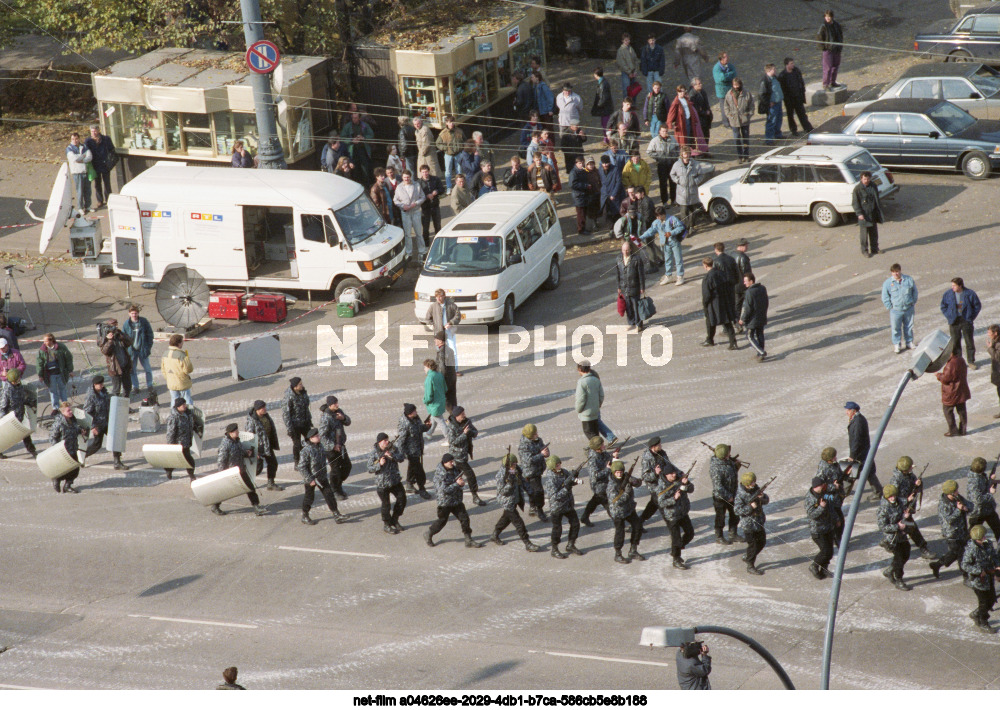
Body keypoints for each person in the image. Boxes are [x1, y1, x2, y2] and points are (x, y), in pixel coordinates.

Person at [425, 454, 484, 548]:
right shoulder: (439, 475)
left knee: (464, 519)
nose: (452, 463)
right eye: (450, 462)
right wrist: (457, 484)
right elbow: (443, 490)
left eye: (453, 461)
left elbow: (457, 481)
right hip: (445, 502)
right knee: (442, 521)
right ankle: (429, 533)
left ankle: (468, 539)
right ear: (444, 463)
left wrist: (460, 483)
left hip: (456, 500)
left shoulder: (455, 469)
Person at [214, 423, 266, 517]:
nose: (238, 433)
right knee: (225, 490)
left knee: (250, 487)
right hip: (231, 472)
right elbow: (221, 461)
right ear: (230, 433)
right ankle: (215, 505)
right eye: (235, 431)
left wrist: (247, 453)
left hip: (240, 470)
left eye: (237, 431)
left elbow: (241, 452)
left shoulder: (237, 441)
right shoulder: (225, 444)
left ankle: (256, 506)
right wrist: (222, 474)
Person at [491, 453, 541, 551]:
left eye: (515, 464)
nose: (514, 466)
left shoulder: (515, 470)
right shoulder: (501, 475)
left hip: (515, 499)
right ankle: (527, 543)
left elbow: (522, 480)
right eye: (512, 464)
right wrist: (510, 482)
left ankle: (495, 534)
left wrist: (530, 491)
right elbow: (503, 491)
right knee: (519, 523)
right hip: (507, 502)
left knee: (505, 519)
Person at [889, 456, 935, 559]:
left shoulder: (909, 475)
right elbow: (892, 499)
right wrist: (906, 500)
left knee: (904, 528)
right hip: (899, 509)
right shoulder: (896, 480)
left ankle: (889, 542)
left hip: (907, 507)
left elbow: (915, 487)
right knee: (911, 527)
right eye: (910, 467)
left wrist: (918, 484)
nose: (912, 468)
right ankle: (923, 548)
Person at [299, 427, 346, 525]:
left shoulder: (320, 446)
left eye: (318, 435)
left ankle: (336, 514)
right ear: (310, 438)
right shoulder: (305, 451)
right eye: (316, 436)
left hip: (322, 477)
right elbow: (302, 467)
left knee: (329, 495)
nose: (319, 437)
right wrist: (310, 479)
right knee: (309, 497)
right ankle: (305, 515)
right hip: (312, 478)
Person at [82, 374, 127, 470]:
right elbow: (87, 413)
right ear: (95, 384)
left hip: (107, 421)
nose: (102, 385)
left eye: (102, 384)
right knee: (96, 445)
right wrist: (93, 427)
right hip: (98, 424)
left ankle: (117, 462)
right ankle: (82, 456)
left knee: (115, 440)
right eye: (100, 384)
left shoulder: (103, 392)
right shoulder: (91, 396)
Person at [930, 479, 971, 583]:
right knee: (962, 554)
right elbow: (949, 520)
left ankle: (937, 565)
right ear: (950, 493)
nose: (958, 492)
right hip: (952, 533)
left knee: (955, 553)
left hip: (962, 531)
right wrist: (958, 510)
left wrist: (967, 508)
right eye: (956, 491)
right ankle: (966, 577)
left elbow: (968, 504)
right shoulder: (943, 505)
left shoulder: (957, 498)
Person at [543, 456, 583, 558]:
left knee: (575, 524)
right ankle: (554, 549)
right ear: (552, 467)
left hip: (568, 504)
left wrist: (575, 478)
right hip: (557, 507)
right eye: (557, 465)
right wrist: (567, 488)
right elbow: (555, 496)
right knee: (557, 529)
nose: (559, 465)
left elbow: (570, 480)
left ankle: (571, 544)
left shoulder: (563, 472)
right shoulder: (550, 479)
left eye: (559, 463)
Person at [367, 432, 407, 533]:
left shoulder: (393, 448)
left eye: (387, 439)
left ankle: (395, 519)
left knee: (402, 500)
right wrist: (379, 464)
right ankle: (387, 524)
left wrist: (392, 455)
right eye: (385, 440)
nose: (387, 442)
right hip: (382, 483)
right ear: (379, 442)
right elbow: (370, 468)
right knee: (386, 505)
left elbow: (401, 458)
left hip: (394, 480)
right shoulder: (374, 454)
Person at [606, 460, 645, 563]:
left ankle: (633, 550)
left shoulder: (626, 478)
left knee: (638, 526)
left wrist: (634, 481)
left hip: (628, 509)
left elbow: (638, 483)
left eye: (621, 472)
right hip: (617, 512)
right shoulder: (611, 485)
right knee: (620, 533)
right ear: (613, 472)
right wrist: (627, 493)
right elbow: (615, 501)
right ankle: (618, 554)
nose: (619, 474)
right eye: (617, 472)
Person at [963, 525, 999, 633]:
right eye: (981, 537)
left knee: (992, 599)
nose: (984, 538)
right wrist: (978, 571)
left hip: (989, 577)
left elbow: (994, 556)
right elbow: (965, 565)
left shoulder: (988, 544)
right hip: (979, 581)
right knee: (984, 603)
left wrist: (997, 566)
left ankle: (976, 614)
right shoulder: (971, 550)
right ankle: (983, 622)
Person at [876, 485, 913, 590]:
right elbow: (883, 526)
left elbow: (905, 503)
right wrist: (897, 526)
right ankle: (899, 579)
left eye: (894, 496)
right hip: (892, 537)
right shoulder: (883, 509)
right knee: (899, 558)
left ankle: (890, 570)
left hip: (901, 535)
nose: (892, 498)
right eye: (890, 497)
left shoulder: (899, 502)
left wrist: (906, 515)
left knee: (906, 553)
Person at [658, 464, 695, 569]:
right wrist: (674, 498)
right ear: (666, 475)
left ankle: (676, 549)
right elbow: (661, 503)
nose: (674, 475)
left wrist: (686, 483)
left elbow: (691, 489)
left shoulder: (679, 479)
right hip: (672, 515)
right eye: (671, 474)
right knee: (676, 538)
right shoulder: (661, 486)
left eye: (674, 473)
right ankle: (676, 559)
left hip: (682, 512)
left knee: (690, 533)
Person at [446, 406, 484, 506]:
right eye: (462, 414)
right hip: (457, 456)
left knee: (456, 476)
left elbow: (475, 432)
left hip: (464, 454)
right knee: (470, 475)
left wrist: (470, 432)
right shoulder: (451, 427)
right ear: (457, 416)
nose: (464, 415)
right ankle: (475, 496)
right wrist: (464, 434)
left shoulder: (466, 422)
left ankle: (449, 492)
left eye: (464, 413)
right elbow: (453, 442)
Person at [844, 402, 883, 500]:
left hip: (859, 453)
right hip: (863, 452)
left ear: (854, 411)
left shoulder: (858, 422)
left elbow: (857, 440)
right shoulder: (858, 419)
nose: (846, 412)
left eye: (848, 410)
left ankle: (844, 492)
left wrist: (852, 455)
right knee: (869, 472)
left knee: (852, 472)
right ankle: (878, 492)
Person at [940, 277, 982, 367]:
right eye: (952, 285)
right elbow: (943, 306)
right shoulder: (948, 294)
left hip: (966, 320)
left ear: (960, 285)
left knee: (969, 341)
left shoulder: (970, 294)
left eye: (954, 285)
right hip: (954, 321)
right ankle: (958, 362)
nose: (952, 287)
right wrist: (949, 315)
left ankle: (971, 361)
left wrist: (971, 317)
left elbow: (977, 306)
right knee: (955, 342)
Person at [641, 206, 685, 286]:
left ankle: (680, 276)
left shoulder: (672, 219)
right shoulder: (656, 222)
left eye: (659, 216)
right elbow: (651, 231)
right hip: (665, 243)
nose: (658, 218)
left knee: (678, 259)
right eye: (656, 216)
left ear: (663, 214)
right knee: (667, 260)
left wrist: (671, 233)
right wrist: (641, 237)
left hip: (674, 242)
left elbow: (680, 227)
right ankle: (668, 276)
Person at [734, 471, 768, 574]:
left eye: (754, 482)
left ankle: (748, 556)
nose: (754, 484)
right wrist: (750, 507)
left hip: (759, 521)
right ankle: (750, 565)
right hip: (748, 525)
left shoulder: (756, 489)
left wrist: (762, 497)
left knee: (762, 542)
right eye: (752, 482)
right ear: (747, 484)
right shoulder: (740, 495)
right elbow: (737, 510)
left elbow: (766, 500)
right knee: (753, 545)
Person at [671, 147, 713, 227]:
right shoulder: (677, 165)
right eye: (684, 154)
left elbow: (701, 175)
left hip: (692, 192)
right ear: (681, 155)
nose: (686, 156)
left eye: (688, 154)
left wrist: (695, 181)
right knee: (683, 212)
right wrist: (678, 181)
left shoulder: (696, 165)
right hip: (682, 194)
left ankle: (691, 226)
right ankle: (685, 227)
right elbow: (672, 174)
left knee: (692, 212)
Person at [318, 395, 351, 500]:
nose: (337, 405)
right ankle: (335, 490)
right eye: (335, 403)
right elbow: (322, 436)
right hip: (330, 449)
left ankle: (338, 485)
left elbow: (348, 422)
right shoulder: (325, 417)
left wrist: (343, 418)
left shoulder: (339, 411)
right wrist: (333, 446)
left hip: (340, 445)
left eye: (337, 402)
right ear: (330, 405)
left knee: (347, 466)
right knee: (335, 469)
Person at [880, 264, 917, 354]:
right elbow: (885, 297)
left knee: (908, 327)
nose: (895, 274)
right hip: (896, 310)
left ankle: (909, 342)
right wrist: (890, 307)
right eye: (893, 272)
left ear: (900, 271)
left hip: (908, 308)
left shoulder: (908, 280)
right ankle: (897, 344)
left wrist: (912, 302)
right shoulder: (888, 283)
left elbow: (914, 292)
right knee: (896, 328)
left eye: (897, 272)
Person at [701, 257, 738, 349]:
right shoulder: (721, 273)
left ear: (705, 266)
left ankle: (710, 339)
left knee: (710, 321)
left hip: (714, 303)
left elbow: (707, 294)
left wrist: (705, 304)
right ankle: (733, 342)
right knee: (727, 322)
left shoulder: (707, 278)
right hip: (724, 300)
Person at [246, 400, 282, 492]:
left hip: (267, 445)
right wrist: (254, 451)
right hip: (258, 447)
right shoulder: (252, 420)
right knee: (258, 469)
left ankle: (270, 483)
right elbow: (249, 436)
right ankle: (246, 481)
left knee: (273, 463)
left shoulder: (266, 416)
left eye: (265, 407)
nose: (265, 409)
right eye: (262, 408)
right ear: (257, 409)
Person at [398, 402, 432, 498]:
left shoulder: (415, 418)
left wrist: (426, 426)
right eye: (414, 411)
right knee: (419, 471)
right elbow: (401, 439)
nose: (416, 412)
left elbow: (419, 428)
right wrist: (400, 454)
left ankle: (409, 484)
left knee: (413, 467)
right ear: (410, 413)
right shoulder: (405, 424)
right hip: (411, 451)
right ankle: (422, 488)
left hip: (418, 448)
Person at [0, 370, 36, 458]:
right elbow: (3, 406)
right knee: (7, 436)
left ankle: (32, 451)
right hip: (11, 419)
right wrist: (3, 420)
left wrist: (31, 403)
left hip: (20, 415)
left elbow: (22, 399)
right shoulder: (7, 390)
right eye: (18, 377)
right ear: (14, 380)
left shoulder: (19, 386)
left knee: (25, 434)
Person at [708, 444, 739, 545]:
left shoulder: (727, 461)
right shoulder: (716, 468)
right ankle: (719, 536)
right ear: (724, 455)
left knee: (735, 514)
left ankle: (733, 534)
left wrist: (736, 466)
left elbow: (730, 475)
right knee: (720, 518)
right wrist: (728, 496)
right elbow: (718, 487)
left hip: (732, 493)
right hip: (721, 498)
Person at [805, 476, 835, 580]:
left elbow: (832, 499)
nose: (824, 487)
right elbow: (811, 515)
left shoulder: (823, 493)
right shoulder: (810, 499)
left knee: (830, 551)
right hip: (817, 530)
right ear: (816, 487)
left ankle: (824, 569)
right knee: (825, 551)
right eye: (822, 485)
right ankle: (814, 565)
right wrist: (821, 507)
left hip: (827, 526)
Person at [519, 423, 550, 520]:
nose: (537, 435)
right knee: (539, 491)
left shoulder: (538, 440)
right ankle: (539, 509)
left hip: (538, 470)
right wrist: (541, 455)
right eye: (534, 434)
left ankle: (533, 506)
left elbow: (542, 448)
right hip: (531, 472)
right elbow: (528, 460)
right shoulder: (524, 446)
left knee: (532, 491)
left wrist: (546, 452)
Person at [937, 350, 971, 437]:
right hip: (961, 390)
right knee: (962, 410)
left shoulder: (950, 365)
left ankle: (953, 430)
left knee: (947, 411)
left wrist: (938, 375)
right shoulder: (961, 360)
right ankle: (963, 429)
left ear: (951, 353)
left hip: (951, 392)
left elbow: (946, 379)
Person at [581, 437, 614, 526]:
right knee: (607, 503)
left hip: (605, 481)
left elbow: (608, 459)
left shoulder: (602, 453)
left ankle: (585, 516)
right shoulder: (593, 459)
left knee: (596, 500)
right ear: (597, 448)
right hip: (599, 485)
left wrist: (614, 457)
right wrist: (607, 469)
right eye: (602, 445)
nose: (604, 446)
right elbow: (595, 475)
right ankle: (617, 521)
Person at [122, 304, 154, 397]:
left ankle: (150, 385)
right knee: (132, 370)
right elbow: (124, 338)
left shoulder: (143, 322)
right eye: (132, 313)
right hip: (132, 351)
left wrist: (148, 347)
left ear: (138, 313)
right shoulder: (126, 324)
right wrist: (127, 349)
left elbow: (150, 334)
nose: (134, 315)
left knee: (147, 369)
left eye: (135, 313)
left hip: (142, 349)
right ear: (129, 314)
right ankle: (135, 387)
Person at [393, 170, 426, 260]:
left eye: (408, 177)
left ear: (410, 177)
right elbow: (395, 200)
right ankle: (409, 252)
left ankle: (422, 251)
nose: (406, 179)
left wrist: (415, 204)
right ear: (402, 178)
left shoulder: (416, 185)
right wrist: (403, 206)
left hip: (416, 211)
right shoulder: (399, 187)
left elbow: (423, 197)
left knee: (418, 232)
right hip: (405, 213)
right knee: (407, 234)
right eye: (404, 177)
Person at [50, 401, 81, 493]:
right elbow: (52, 437)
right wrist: (57, 449)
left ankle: (67, 486)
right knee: (62, 468)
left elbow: (76, 429)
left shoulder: (73, 420)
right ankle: (56, 480)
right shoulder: (59, 423)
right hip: (63, 450)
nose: (71, 412)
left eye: (70, 410)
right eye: (68, 411)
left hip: (73, 448)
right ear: (63, 412)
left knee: (75, 469)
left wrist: (81, 431)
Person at [36, 333, 73, 410]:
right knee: (53, 392)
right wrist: (40, 375)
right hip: (50, 375)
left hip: (61, 373)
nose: (44, 343)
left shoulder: (61, 347)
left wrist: (70, 370)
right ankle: (55, 408)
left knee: (63, 389)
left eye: (46, 341)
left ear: (51, 340)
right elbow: (39, 363)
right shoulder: (42, 350)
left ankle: (65, 406)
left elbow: (68, 358)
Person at [666, 84, 707, 155]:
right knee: (683, 139)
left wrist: (695, 120)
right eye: (680, 92)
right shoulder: (676, 102)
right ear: (677, 92)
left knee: (690, 137)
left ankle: (690, 152)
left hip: (689, 121)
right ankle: (685, 153)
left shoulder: (685, 99)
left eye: (683, 91)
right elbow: (671, 114)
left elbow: (690, 110)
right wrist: (670, 125)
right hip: (681, 123)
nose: (682, 93)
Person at [281, 376, 312, 468]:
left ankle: (309, 459)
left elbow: (307, 407)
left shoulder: (303, 393)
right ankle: (297, 461)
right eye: (300, 384)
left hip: (305, 422)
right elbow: (286, 414)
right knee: (297, 444)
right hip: (295, 425)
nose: (302, 385)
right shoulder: (289, 397)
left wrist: (309, 420)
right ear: (295, 387)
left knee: (310, 441)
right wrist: (289, 428)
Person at [616, 240, 647, 332]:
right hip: (624, 287)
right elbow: (617, 274)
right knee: (628, 307)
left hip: (634, 287)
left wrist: (642, 287)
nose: (625, 252)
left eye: (627, 250)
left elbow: (641, 275)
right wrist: (618, 286)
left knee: (636, 307)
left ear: (630, 250)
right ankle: (631, 322)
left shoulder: (636, 259)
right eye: (623, 250)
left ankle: (639, 324)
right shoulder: (618, 259)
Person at [164, 398, 199, 480]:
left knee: (188, 460)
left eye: (185, 404)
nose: (185, 406)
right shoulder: (173, 418)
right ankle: (169, 470)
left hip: (187, 442)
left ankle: (191, 476)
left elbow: (192, 425)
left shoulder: (188, 414)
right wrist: (170, 445)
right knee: (176, 460)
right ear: (178, 407)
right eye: (182, 405)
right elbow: (170, 433)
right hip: (178, 444)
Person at [738, 271, 769, 361]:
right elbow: (766, 301)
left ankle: (761, 352)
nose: (744, 283)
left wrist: (742, 319)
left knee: (749, 336)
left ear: (751, 281)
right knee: (760, 334)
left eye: (745, 281)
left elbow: (747, 308)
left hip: (753, 318)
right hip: (762, 315)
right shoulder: (762, 288)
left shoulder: (749, 292)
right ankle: (760, 353)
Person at [777, 57, 812, 136]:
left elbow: (801, 81)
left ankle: (807, 127)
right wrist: (786, 98)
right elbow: (782, 89)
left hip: (798, 97)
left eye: (793, 63)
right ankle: (793, 129)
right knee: (790, 115)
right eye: (791, 63)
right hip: (789, 99)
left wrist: (802, 91)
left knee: (802, 113)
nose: (793, 65)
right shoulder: (782, 76)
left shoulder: (796, 71)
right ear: (787, 65)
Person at [967, 456, 1000, 539]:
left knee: (998, 529)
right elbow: (978, 499)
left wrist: (990, 481)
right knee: (973, 534)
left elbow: (983, 487)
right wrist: (990, 493)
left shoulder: (979, 475)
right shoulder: (974, 481)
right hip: (978, 512)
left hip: (987, 509)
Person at [98, 318, 133, 397]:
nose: (114, 327)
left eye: (115, 325)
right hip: (115, 368)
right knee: (116, 390)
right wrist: (110, 340)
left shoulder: (119, 334)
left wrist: (121, 336)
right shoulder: (105, 337)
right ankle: (115, 407)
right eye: (112, 325)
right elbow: (105, 351)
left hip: (125, 365)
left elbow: (130, 342)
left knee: (127, 387)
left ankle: (124, 406)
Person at [84, 124, 116, 208]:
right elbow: (85, 152)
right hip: (95, 165)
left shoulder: (106, 139)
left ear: (98, 131)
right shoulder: (88, 141)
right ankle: (100, 201)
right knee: (97, 184)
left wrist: (110, 161)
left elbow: (112, 150)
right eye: (92, 131)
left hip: (105, 164)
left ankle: (109, 199)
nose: (93, 133)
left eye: (95, 131)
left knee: (107, 184)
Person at [647, 124, 679, 207]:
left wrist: (674, 156)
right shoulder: (655, 141)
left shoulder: (672, 139)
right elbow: (649, 152)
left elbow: (677, 148)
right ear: (659, 132)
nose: (665, 133)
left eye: (666, 131)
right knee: (663, 184)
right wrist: (658, 157)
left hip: (672, 164)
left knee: (673, 182)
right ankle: (664, 201)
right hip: (662, 165)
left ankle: (673, 200)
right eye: (663, 131)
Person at [853, 171, 883, 258]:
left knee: (874, 233)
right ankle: (864, 251)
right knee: (864, 235)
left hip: (872, 213)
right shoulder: (857, 189)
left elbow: (876, 198)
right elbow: (855, 203)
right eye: (865, 179)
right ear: (861, 179)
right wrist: (859, 213)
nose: (866, 180)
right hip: (864, 215)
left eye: (868, 179)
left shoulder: (873, 185)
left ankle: (875, 249)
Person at [724, 77, 753, 164]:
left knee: (746, 138)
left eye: (737, 85)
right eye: (734, 85)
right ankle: (740, 156)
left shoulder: (747, 93)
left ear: (740, 84)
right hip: (734, 120)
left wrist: (748, 115)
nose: (736, 87)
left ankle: (746, 155)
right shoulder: (729, 94)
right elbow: (726, 107)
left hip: (744, 120)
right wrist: (729, 116)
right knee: (737, 139)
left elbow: (751, 106)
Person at [340, 112, 374, 185]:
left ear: (359, 118)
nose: (354, 119)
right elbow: (342, 137)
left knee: (365, 167)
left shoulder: (364, 125)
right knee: (355, 168)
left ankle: (367, 184)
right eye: (353, 118)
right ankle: (357, 183)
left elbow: (371, 134)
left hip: (363, 149)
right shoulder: (347, 126)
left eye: (356, 118)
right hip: (352, 151)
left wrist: (363, 138)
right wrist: (351, 140)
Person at [161, 334, 194, 407]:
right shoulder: (182, 355)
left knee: (174, 400)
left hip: (171, 382)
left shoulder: (165, 354)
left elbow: (163, 369)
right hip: (182, 382)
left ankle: (174, 415)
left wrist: (168, 378)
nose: (182, 343)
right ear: (179, 343)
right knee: (187, 400)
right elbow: (188, 369)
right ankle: (189, 416)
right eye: (182, 342)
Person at [575, 361, 605, 441]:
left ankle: (598, 447)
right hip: (595, 410)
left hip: (586, 413)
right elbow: (601, 395)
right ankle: (598, 446)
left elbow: (581, 399)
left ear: (579, 369)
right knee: (595, 431)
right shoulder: (596, 379)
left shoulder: (581, 382)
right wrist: (598, 405)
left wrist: (578, 409)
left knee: (588, 432)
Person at [435, 116, 465, 193]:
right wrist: (445, 148)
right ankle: (449, 187)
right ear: (447, 123)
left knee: (459, 171)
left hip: (458, 154)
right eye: (450, 122)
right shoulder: (443, 133)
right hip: (448, 155)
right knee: (448, 172)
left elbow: (465, 140)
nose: (452, 124)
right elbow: (438, 143)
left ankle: (459, 185)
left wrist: (462, 148)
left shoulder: (459, 131)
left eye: (453, 122)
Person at [818, 9, 844, 90]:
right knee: (828, 68)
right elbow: (819, 37)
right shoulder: (823, 26)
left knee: (835, 66)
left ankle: (832, 82)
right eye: (826, 16)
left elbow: (840, 35)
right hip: (828, 50)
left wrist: (840, 46)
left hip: (836, 49)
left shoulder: (836, 24)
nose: (827, 18)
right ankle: (826, 84)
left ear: (832, 17)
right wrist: (824, 48)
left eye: (829, 16)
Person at [418, 164, 444, 245]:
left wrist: (437, 191)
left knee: (438, 226)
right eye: (423, 172)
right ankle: (426, 245)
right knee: (425, 228)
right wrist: (426, 196)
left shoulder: (435, 179)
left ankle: (438, 243)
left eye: (426, 172)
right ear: (421, 173)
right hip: (425, 208)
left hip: (435, 206)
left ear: (429, 171)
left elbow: (442, 189)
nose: (425, 174)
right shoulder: (418, 183)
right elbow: (417, 195)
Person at [66, 132, 92, 212]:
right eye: (73, 139)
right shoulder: (69, 148)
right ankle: (80, 207)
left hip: (85, 171)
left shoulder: (84, 146)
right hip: (76, 172)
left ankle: (88, 206)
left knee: (87, 190)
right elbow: (74, 159)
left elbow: (90, 157)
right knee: (79, 191)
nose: (75, 141)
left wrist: (82, 159)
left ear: (79, 139)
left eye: (76, 139)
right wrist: (83, 156)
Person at [422, 359, 448, 442]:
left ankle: (449, 439)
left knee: (441, 422)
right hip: (441, 401)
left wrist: (425, 400)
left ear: (429, 367)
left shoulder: (429, 378)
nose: (424, 369)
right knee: (434, 419)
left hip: (434, 404)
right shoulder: (439, 375)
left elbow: (428, 394)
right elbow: (445, 388)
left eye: (425, 367)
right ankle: (429, 433)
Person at [759, 64, 784, 145]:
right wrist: (768, 103)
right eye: (774, 69)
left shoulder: (774, 78)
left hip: (778, 102)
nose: (775, 70)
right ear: (769, 70)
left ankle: (778, 134)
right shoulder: (765, 81)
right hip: (772, 105)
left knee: (779, 119)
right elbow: (761, 94)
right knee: (771, 121)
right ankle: (769, 139)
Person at [434, 331, 458, 416]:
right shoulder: (450, 350)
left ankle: (455, 416)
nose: (435, 341)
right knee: (452, 398)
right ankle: (457, 413)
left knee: (443, 398)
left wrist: (439, 380)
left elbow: (442, 369)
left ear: (441, 341)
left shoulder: (441, 353)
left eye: (436, 339)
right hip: (452, 377)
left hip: (445, 379)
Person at [712, 52, 737, 130]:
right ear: (721, 59)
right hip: (722, 91)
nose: (727, 58)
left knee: (732, 105)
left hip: (730, 89)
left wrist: (727, 76)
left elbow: (735, 74)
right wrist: (729, 76)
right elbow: (721, 79)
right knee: (724, 107)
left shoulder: (730, 65)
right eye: (725, 57)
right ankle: (726, 123)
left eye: (727, 56)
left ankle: (732, 120)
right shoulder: (716, 68)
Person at [569, 156, 592, 236]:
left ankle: (583, 228)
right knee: (580, 214)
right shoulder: (574, 172)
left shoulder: (582, 171)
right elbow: (572, 184)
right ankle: (581, 229)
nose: (581, 164)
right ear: (576, 163)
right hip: (578, 196)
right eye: (579, 163)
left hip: (583, 195)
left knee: (584, 213)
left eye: (582, 163)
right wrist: (585, 186)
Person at [599, 155, 625, 223]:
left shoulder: (615, 169)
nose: (605, 165)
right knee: (606, 213)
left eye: (606, 163)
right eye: (603, 163)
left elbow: (618, 182)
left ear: (609, 162)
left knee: (616, 212)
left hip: (614, 195)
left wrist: (613, 194)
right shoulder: (600, 170)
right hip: (605, 195)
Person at [688, 77, 713, 144]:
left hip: (706, 118)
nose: (700, 85)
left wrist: (708, 111)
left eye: (700, 83)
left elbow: (706, 103)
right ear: (694, 85)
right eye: (698, 84)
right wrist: (704, 112)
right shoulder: (692, 95)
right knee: (701, 136)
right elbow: (696, 109)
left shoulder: (702, 91)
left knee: (706, 135)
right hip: (699, 118)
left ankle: (706, 150)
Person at [733, 238, 752, 327]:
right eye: (746, 245)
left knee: (737, 304)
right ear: (741, 246)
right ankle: (744, 320)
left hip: (735, 284)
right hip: (743, 285)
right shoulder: (743, 257)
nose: (747, 247)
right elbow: (746, 273)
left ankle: (736, 321)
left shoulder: (732, 254)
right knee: (749, 302)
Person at [616, 33, 640, 100]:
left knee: (634, 89)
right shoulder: (620, 50)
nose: (627, 42)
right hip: (626, 73)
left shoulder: (631, 48)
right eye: (626, 40)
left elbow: (635, 59)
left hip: (632, 71)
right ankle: (626, 103)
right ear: (623, 41)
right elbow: (622, 64)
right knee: (626, 89)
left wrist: (635, 71)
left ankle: (633, 103)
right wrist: (629, 72)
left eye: (628, 40)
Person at [990, 325, 1000, 418]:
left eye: (990, 333)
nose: (988, 335)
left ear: (995, 333)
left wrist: (990, 348)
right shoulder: (995, 341)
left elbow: (997, 357)